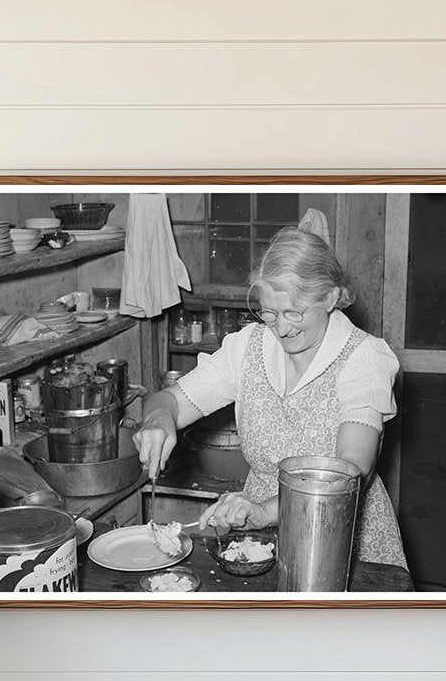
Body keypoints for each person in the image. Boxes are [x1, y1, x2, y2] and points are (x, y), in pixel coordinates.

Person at [133, 226, 407, 569]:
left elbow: (350, 473)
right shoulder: (249, 347)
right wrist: (159, 419)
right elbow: (170, 400)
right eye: (269, 312)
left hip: (342, 534)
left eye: (294, 312)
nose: (281, 329)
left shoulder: (364, 359)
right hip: (261, 531)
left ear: (330, 298)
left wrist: (266, 511)